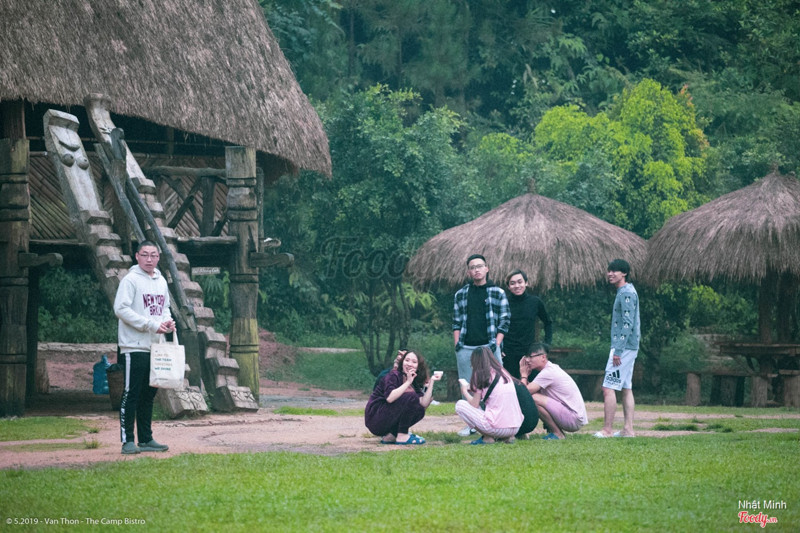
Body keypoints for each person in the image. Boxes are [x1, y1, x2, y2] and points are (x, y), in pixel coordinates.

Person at [114, 241, 175, 455]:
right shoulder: (130, 280)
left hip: (155, 346)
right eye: (145, 254)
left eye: (153, 255)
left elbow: (164, 308)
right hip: (134, 346)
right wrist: (150, 325)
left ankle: (146, 439)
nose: (149, 259)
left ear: (158, 257)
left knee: (148, 394)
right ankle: (127, 441)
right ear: (137, 256)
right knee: (131, 393)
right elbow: (121, 309)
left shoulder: (161, 281)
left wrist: (167, 322)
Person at [453, 254, 510, 435]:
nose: (476, 270)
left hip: (490, 346)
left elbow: (505, 320)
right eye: (472, 267)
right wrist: (457, 345)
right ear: (468, 272)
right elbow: (456, 322)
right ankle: (472, 425)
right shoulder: (461, 294)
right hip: (466, 346)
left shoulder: (497, 292)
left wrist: (497, 343)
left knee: (495, 385)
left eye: (479, 266)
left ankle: (496, 421)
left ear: (487, 269)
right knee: (467, 385)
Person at [595, 259, 640, 438]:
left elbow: (628, 323)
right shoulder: (625, 291)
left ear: (624, 273)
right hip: (629, 346)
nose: (610, 274)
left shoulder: (626, 293)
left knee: (608, 387)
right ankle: (628, 430)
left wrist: (618, 351)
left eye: (614, 271)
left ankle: (607, 430)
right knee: (626, 388)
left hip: (623, 347)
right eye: (609, 271)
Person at [365, 350, 441, 445]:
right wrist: (408, 382)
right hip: (375, 418)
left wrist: (432, 382)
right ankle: (402, 436)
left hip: (386, 418)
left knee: (420, 409)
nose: (409, 364)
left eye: (414, 362)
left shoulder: (413, 381)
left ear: (418, 366)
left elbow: (423, 403)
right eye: (407, 360)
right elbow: (390, 398)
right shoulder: (393, 375)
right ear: (402, 362)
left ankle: (391, 436)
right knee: (411, 396)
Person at [455, 346, 523, 444]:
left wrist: (464, 391)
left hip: (498, 428)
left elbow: (475, 404)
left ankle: (487, 438)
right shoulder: (503, 372)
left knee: (460, 405)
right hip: (515, 428)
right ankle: (507, 437)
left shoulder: (480, 373)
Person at [519, 343, 587, 440]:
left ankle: (558, 434)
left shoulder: (548, 372)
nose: (528, 360)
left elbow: (524, 393)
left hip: (573, 419)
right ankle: (557, 432)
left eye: (531, 357)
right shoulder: (550, 369)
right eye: (527, 357)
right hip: (573, 417)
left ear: (543, 357)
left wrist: (524, 374)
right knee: (534, 396)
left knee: (533, 398)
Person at [503, 269, 553, 379]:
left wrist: (546, 344)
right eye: (512, 283)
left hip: (529, 353)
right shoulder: (503, 302)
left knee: (531, 385)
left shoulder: (535, 302)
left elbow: (548, 322)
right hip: (508, 353)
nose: (517, 286)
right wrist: (499, 348)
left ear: (526, 283)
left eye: (520, 282)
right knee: (510, 385)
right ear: (508, 287)